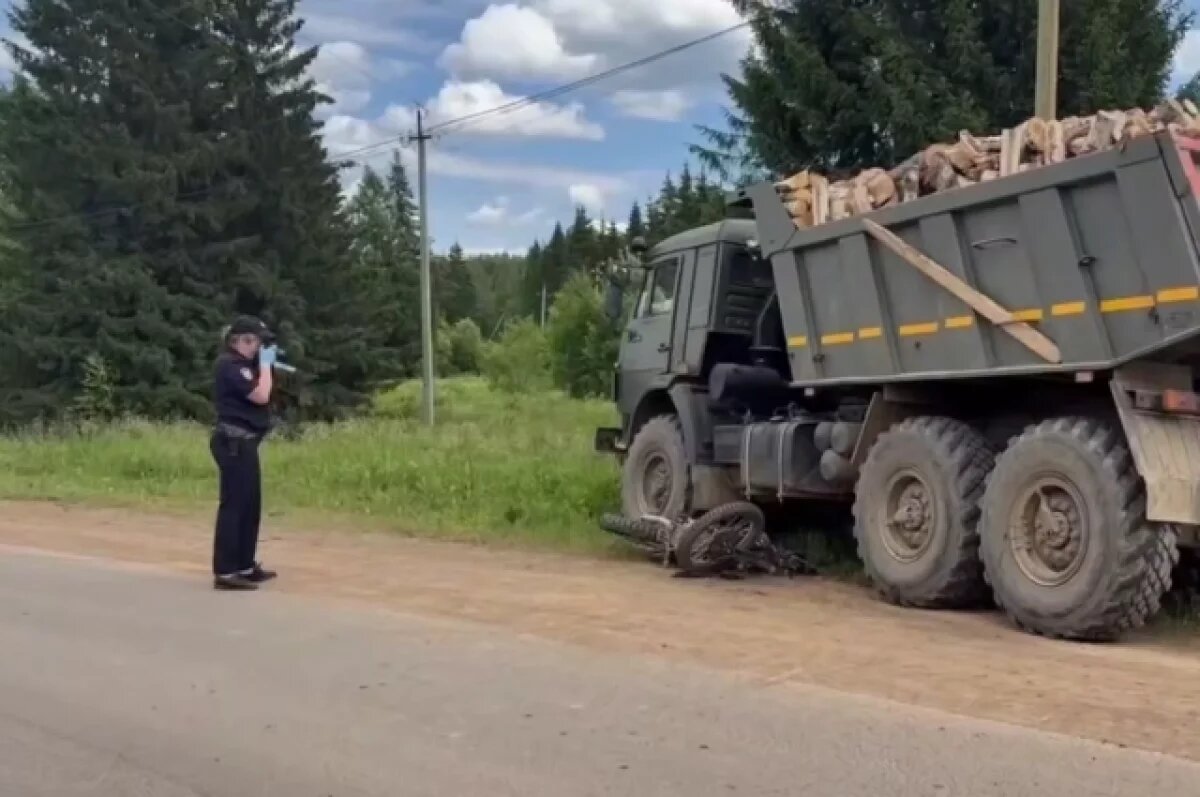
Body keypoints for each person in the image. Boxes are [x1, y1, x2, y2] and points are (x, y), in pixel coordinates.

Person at [210, 315, 279, 591]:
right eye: (254, 341)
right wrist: (264, 366)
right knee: (235, 506)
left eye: (260, 342)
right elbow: (262, 396)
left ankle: (245, 565)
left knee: (250, 506)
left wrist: (264, 367)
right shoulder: (229, 365)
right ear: (238, 340)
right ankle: (226, 571)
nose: (258, 347)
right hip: (232, 442)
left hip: (246, 443)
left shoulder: (245, 366)